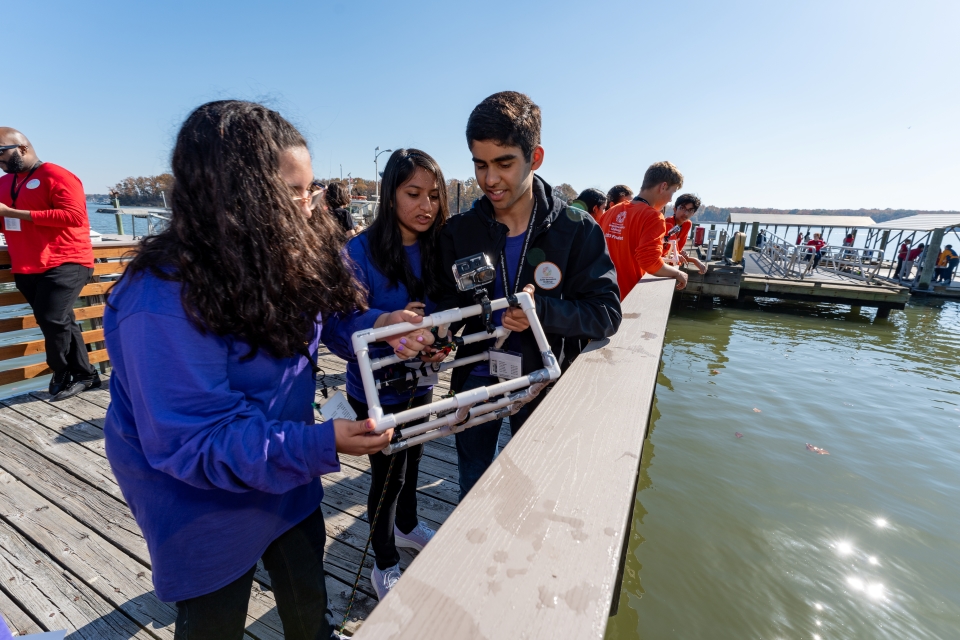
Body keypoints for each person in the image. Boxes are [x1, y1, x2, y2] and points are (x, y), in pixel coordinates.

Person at [103, 101, 393, 640]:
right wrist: (319, 444)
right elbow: (197, 440)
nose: (309, 209)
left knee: (310, 604)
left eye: (311, 190)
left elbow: (325, 317)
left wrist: (385, 328)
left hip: (287, 471)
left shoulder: (274, 251)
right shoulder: (158, 301)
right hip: (200, 501)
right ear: (232, 199)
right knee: (214, 621)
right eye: (291, 195)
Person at [434, 91, 622, 499]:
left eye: (504, 163)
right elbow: (444, 303)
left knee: (535, 488)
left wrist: (543, 312)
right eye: (480, 165)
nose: (489, 179)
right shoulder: (460, 231)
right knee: (472, 483)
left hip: (544, 385)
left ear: (535, 158)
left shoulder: (578, 228)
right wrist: (431, 331)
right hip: (476, 381)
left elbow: (606, 313)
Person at [321, 148, 448, 600]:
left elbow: (446, 314)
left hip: (425, 379)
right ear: (388, 194)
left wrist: (441, 343)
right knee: (387, 474)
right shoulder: (357, 251)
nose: (426, 206)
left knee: (414, 459)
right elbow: (333, 326)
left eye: (434, 195)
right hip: (376, 389)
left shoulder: (440, 247)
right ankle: (384, 562)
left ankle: (409, 526)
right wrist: (380, 321)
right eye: (413, 193)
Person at [0, 129, 101, 400]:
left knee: (51, 318)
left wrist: (11, 212)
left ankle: (61, 371)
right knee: (61, 321)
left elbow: (73, 216)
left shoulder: (57, 175)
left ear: (21, 148)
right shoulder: (5, 182)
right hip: (26, 265)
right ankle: (86, 374)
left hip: (66, 260)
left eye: (0, 153)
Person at [599, 161, 689, 299]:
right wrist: (677, 273)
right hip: (627, 298)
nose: (671, 199)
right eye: (673, 191)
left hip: (601, 295)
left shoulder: (612, 211)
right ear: (663, 186)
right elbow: (650, 262)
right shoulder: (654, 217)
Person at [662, 193, 706, 273]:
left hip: (670, 266)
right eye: (682, 208)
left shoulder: (687, 224)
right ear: (675, 209)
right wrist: (693, 260)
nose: (686, 213)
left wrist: (681, 253)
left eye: (690, 210)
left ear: (693, 213)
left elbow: (676, 252)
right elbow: (664, 254)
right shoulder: (667, 224)